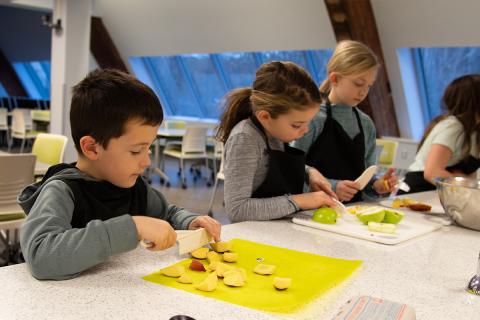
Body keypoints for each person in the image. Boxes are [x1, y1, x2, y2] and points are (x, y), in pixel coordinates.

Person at [18, 69, 221, 280]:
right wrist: (132, 227)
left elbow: (166, 214)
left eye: (149, 148)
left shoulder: (134, 187)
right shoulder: (62, 191)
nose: (147, 161)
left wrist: (189, 221)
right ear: (92, 148)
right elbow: (40, 257)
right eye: (135, 151)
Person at [217, 61, 336, 223]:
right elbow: (237, 210)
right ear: (265, 117)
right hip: (253, 238)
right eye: (297, 125)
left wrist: (309, 173)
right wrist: (301, 200)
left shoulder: (273, 130)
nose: (306, 130)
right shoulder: (244, 138)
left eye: (308, 122)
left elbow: (267, 164)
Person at [294, 40, 397, 203]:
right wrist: (333, 186)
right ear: (335, 78)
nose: (364, 92)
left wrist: (377, 186)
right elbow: (292, 169)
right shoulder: (312, 119)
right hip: (312, 213)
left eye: (369, 86)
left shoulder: (366, 124)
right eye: (358, 83)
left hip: (352, 215)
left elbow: (365, 182)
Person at [404, 74, 480, 193]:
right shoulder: (454, 126)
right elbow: (432, 173)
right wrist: (465, 182)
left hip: (444, 194)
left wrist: (464, 179)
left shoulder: (475, 131)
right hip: (420, 191)